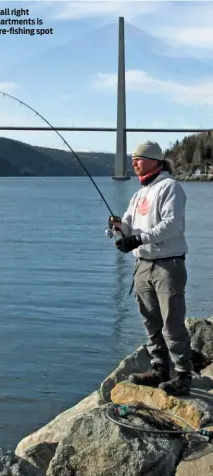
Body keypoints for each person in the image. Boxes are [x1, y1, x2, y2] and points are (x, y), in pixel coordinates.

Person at [110, 140, 192, 396]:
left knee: (172, 323)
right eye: (133, 158)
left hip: (168, 265)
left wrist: (138, 238)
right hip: (142, 266)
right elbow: (130, 225)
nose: (133, 162)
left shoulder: (170, 188)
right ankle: (159, 368)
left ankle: (183, 374)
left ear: (155, 160)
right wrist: (119, 227)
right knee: (150, 322)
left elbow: (173, 225)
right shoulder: (139, 194)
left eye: (139, 158)